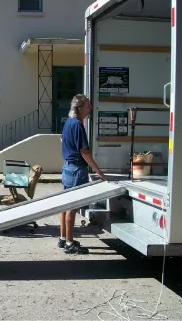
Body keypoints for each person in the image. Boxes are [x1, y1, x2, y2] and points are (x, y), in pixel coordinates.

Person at [59, 94, 107, 254]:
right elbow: (84, 151)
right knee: (72, 207)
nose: (91, 108)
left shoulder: (68, 123)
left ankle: (63, 238)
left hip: (67, 167)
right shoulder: (78, 125)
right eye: (88, 105)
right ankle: (70, 244)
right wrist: (97, 170)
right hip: (76, 169)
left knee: (64, 205)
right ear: (79, 108)